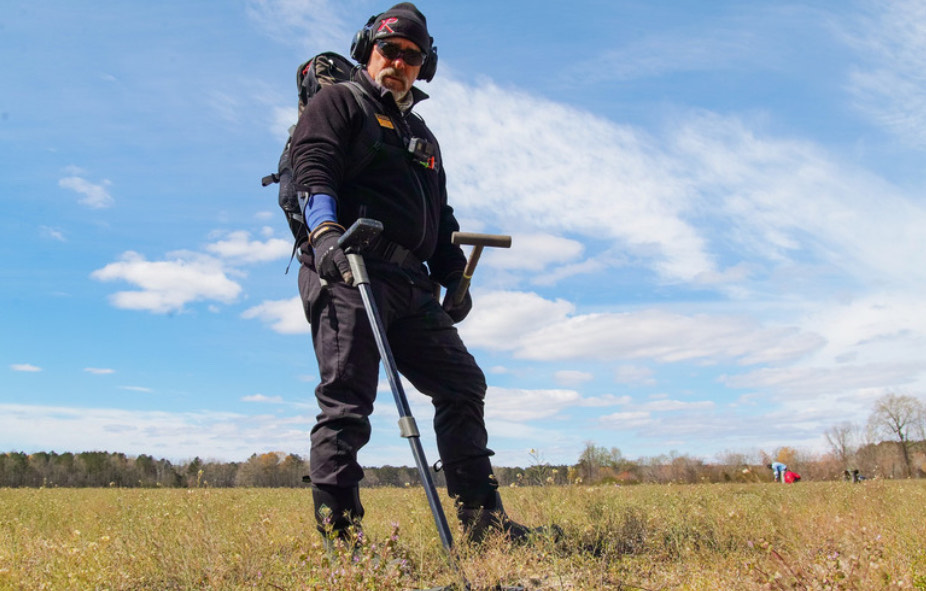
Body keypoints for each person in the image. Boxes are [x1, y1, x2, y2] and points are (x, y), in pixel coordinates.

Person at [289, 3, 540, 545]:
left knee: (462, 384)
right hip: (349, 266)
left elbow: (440, 213)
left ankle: (483, 524)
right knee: (347, 403)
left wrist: (454, 274)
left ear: (425, 66)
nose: (398, 62)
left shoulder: (421, 133)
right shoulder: (339, 103)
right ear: (367, 49)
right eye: (390, 50)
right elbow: (313, 170)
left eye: (412, 56)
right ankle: (345, 546)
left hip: (410, 282)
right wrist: (325, 234)